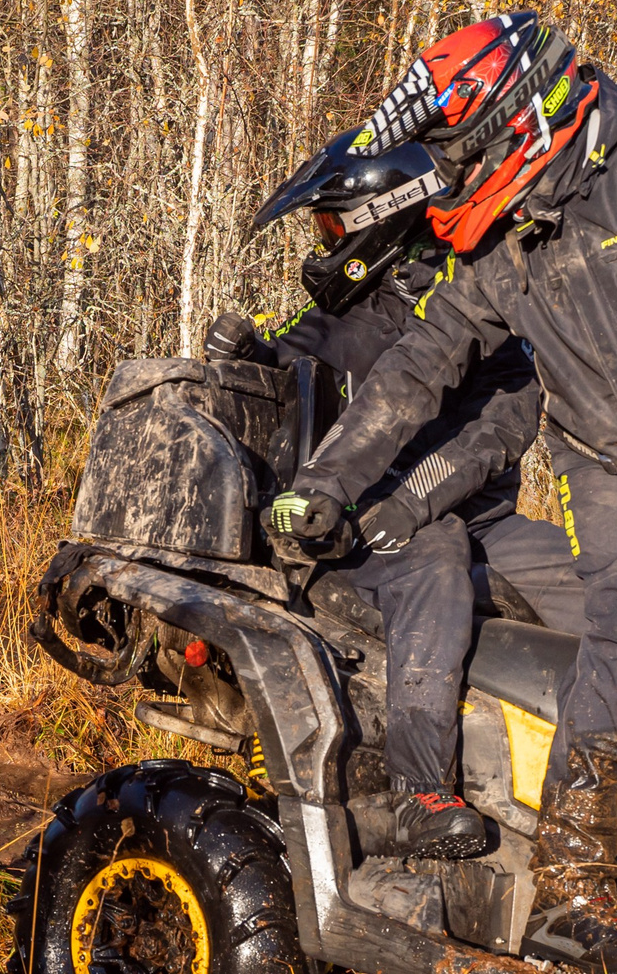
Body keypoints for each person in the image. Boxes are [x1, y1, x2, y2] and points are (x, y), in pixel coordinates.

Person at [270, 11, 617, 974]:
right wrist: (324, 483)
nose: (456, 171)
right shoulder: (501, 249)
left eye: (463, 149)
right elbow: (415, 373)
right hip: (607, 469)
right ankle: (573, 886)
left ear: (525, 113)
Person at [219, 130, 584, 861]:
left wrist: (413, 499)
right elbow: (279, 359)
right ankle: (420, 788)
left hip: (463, 518)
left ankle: (609, 792)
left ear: (379, 220)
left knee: (596, 573)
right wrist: (238, 355)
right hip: (358, 540)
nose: (322, 240)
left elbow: (498, 430)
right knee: (436, 552)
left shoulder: (474, 298)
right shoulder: (336, 316)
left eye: (331, 222)